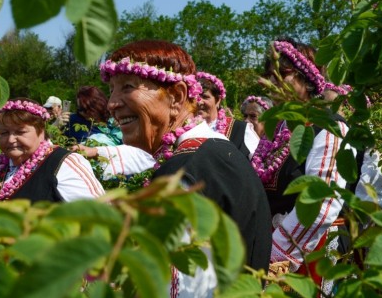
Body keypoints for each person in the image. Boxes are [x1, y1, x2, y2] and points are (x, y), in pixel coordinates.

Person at [102, 40, 272, 295]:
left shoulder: (185, 170)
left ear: (177, 96)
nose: (112, 103)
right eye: (112, 90)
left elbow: (184, 288)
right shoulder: (212, 152)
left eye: (128, 87)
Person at [255, 38, 353, 294]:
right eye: (269, 75)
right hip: (270, 243)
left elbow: (322, 202)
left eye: (281, 74)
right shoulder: (277, 129)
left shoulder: (329, 126)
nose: (273, 81)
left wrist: (276, 253)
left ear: (306, 78)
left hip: (310, 248)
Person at [0, 98, 104, 202]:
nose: (10, 140)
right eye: (4, 133)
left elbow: (98, 212)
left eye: (20, 132)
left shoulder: (63, 164)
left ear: (41, 133)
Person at [196, 71, 260, 159]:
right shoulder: (183, 129)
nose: (199, 101)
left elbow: (257, 163)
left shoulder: (240, 129)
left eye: (205, 97)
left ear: (218, 100)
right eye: (195, 97)